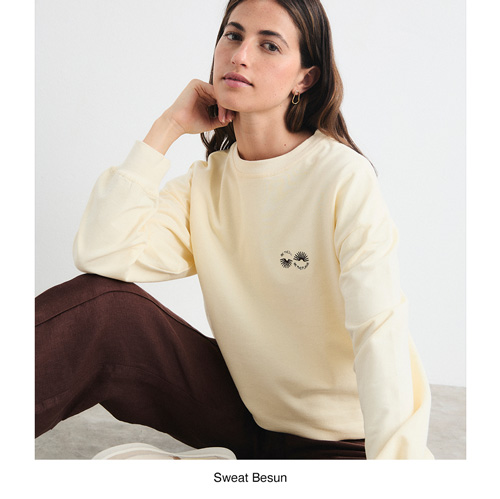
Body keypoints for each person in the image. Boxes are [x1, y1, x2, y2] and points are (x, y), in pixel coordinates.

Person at [35, 0, 434, 460]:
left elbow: (378, 329)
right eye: (233, 35)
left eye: (269, 45)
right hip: (247, 416)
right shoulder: (206, 184)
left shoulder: (341, 177)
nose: (240, 56)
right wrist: (167, 127)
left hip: (343, 442)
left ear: (305, 79)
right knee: (106, 309)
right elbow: (102, 252)